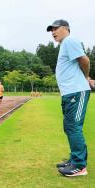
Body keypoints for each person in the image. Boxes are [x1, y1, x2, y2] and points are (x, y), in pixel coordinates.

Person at [47, 19, 94, 176]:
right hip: (69, 93)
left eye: (56, 28)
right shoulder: (64, 45)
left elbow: (85, 60)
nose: (53, 32)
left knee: (74, 127)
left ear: (66, 28)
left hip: (76, 92)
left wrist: (86, 78)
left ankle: (80, 166)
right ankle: (74, 159)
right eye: (51, 30)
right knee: (69, 127)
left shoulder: (70, 41)